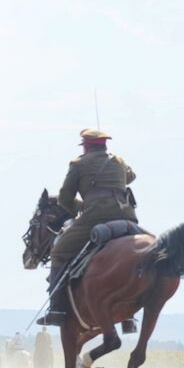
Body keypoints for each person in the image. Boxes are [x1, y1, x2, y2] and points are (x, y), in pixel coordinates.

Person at [37, 128, 138, 326]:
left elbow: (65, 197)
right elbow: (131, 177)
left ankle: (56, 308)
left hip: (95, 218)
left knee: (58, 252)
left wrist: (82, 207)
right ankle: (129, 317)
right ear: (104, 145)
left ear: (86, 146)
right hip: (127, 217)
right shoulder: (118, 161)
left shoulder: (78, 164)